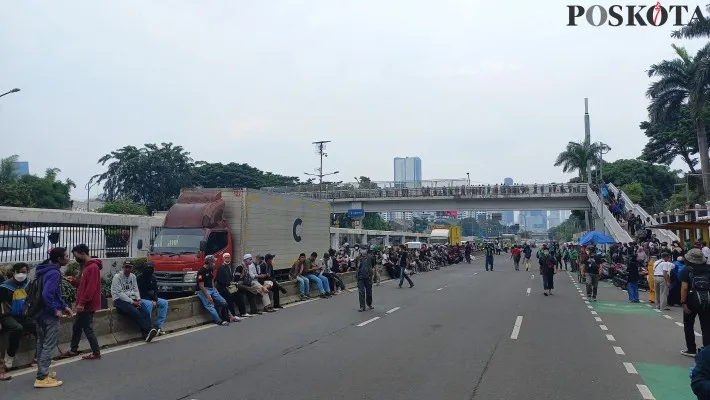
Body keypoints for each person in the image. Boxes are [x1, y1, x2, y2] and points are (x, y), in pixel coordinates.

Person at [34, 247, 74, 388]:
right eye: (66, 256)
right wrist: (55, 310)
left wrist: (64, 306)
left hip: (39, 313)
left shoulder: (43, 270)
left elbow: (54, 294)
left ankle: (42, 372)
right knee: (48, 345)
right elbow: (47, 295)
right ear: (59, 259)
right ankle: (42, 377)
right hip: (48, 315)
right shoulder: (54, 273)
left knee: (41, 343)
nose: (68, 258)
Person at [63, 244, 103, 360]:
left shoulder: (92, 267)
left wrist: (82, 303)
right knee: (77, 326)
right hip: (84, 303)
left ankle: (96, 353)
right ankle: (73, 350)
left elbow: (90, 288)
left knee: (87, 328)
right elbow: (83, 285)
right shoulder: (87, 267)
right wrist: (74, 281)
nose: (75, 258)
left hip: (87, 305)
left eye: (76, 255)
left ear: (83, 254)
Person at [111, 261, 158, 342]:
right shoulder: (117, 277)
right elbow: (120, 293)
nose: (128, 269)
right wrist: (133, 302)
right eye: (126, 267)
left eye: (129, 267)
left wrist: (138, 300)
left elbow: (135, 290)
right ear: (123, 267)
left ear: (132, 268)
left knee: (144, 310)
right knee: (135, 312)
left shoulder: (133, 277)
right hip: (119, 300)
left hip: (132, 298)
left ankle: (148, 333)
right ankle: (149, 330)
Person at [0, 262, 36, 369]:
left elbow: (33, 299)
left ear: (28, 272)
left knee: (40, 329)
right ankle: (10, 355)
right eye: (19, 272)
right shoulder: (5, 286)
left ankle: (39, 357)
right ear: (14, 272)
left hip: (24, 315)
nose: (21, 274)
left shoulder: (29, 284)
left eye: (24, 272)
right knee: (17, 328)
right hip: (8, 315)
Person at [681, 249, 710, 357]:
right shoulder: (708, 269)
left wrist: (683, 302)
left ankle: (691, 349)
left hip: (690, 302)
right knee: (706, 326)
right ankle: (707, 351)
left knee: (688, 325)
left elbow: (684, 288)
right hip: (707, 301)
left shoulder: (686, 270)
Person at [196, 255, 239, 326]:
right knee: (210, 306)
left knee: (223, 302)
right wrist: (208, 296)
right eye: (213, 262)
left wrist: (213, 287)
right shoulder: (201, 272)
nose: (214, 263)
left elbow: (212, 278)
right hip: (204, 290)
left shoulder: (210, 269)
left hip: (211, 289)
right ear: (209, 262)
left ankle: (231, 317)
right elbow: (201, 286)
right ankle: (219, 320)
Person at [136, 262, 169, 336]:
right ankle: (147, 327)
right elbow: (141, 292)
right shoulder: (139, 278)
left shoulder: (153, 278)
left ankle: (158, 326)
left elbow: (155, 290)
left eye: (150, 268)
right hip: (141, 298)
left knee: (164, 302)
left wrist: (155, 299)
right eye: (147, 269)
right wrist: (151, 300)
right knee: (149, 305)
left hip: (151, 298)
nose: (149, 270)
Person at [355, 245, 375, 311]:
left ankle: (369, 304)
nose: (363, 251)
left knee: (369, 292)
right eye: (362, 249)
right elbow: (356, 267)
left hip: (368, 277)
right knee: (361, 292)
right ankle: (362, 306)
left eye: (364, 249)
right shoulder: (358, 258)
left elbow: (373, 265)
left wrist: (372, 275)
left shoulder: (370, 257)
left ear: (366, 250)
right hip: (360, 277)